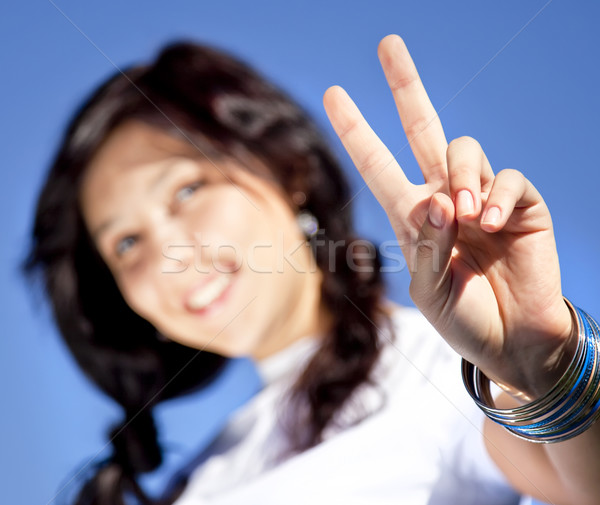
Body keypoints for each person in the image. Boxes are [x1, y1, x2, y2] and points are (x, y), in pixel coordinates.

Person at [24, 34, 600, 505]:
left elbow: (577, 481)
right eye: (125, 243)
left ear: (289, 172)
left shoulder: (443, 370)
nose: (169, 254)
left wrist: (545, 366)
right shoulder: (198, 480)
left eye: (187, 189)